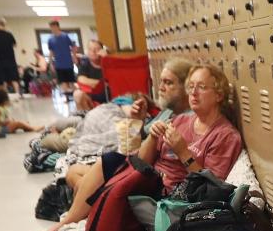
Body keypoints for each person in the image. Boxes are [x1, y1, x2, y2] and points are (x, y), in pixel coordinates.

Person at [36, 64, 242, 231]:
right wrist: (152, 137)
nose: (194, 93)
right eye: (191, 87)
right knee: (98, 165)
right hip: (148, 176)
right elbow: (142, 159)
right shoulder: (181, 120)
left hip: (170, 191)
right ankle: (77, 215)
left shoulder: (225, 136)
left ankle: (78, 213)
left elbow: (214, 189)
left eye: (202, 87)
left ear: (219, 94)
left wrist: (184, 153)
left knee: (98, 178)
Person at [61, 58, 192, 192]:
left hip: (142, 170)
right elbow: (141, 138)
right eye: (161, 81)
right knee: (73, 173)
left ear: (187, 88)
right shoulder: (167, 112)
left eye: (168, 83)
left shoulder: (187, 121)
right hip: (132, 158)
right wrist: (138, 120)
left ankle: (94, 198)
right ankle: (94, 198)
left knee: (82, 181)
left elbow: (146, 156)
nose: (161, 88)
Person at [73, 39, 106, 111]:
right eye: (90, 49)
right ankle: (85, 118)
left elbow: (114, 79)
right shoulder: (85, 64)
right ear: (88, 51)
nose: (93, 52)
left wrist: (107, 59)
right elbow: (81, 79)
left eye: (97, 49)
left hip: (109, 100)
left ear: (102, 51)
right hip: (90, 100)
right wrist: (102, 83)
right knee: (77, 94)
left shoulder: (108, 63)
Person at [47, 21, 76, 93]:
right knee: (63, 81)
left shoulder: (65, 36)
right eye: (51, 27)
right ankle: (67, 97)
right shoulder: (50, 39)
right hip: (59, 64)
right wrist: (50, 63)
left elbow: (73, 47)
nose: (52, 29)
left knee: (71, 81)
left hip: (68, 63)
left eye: (54, 27)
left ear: (57, 27)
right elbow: (51, 52)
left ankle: (74, 95)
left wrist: (74, 57)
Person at [0, 19, 20, 95]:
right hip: (10, 60)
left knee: (3, 79)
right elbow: (15, 45)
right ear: (4, 25)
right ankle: (17, 94)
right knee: (14, 79)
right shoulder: (9, 34)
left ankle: (5, 96)